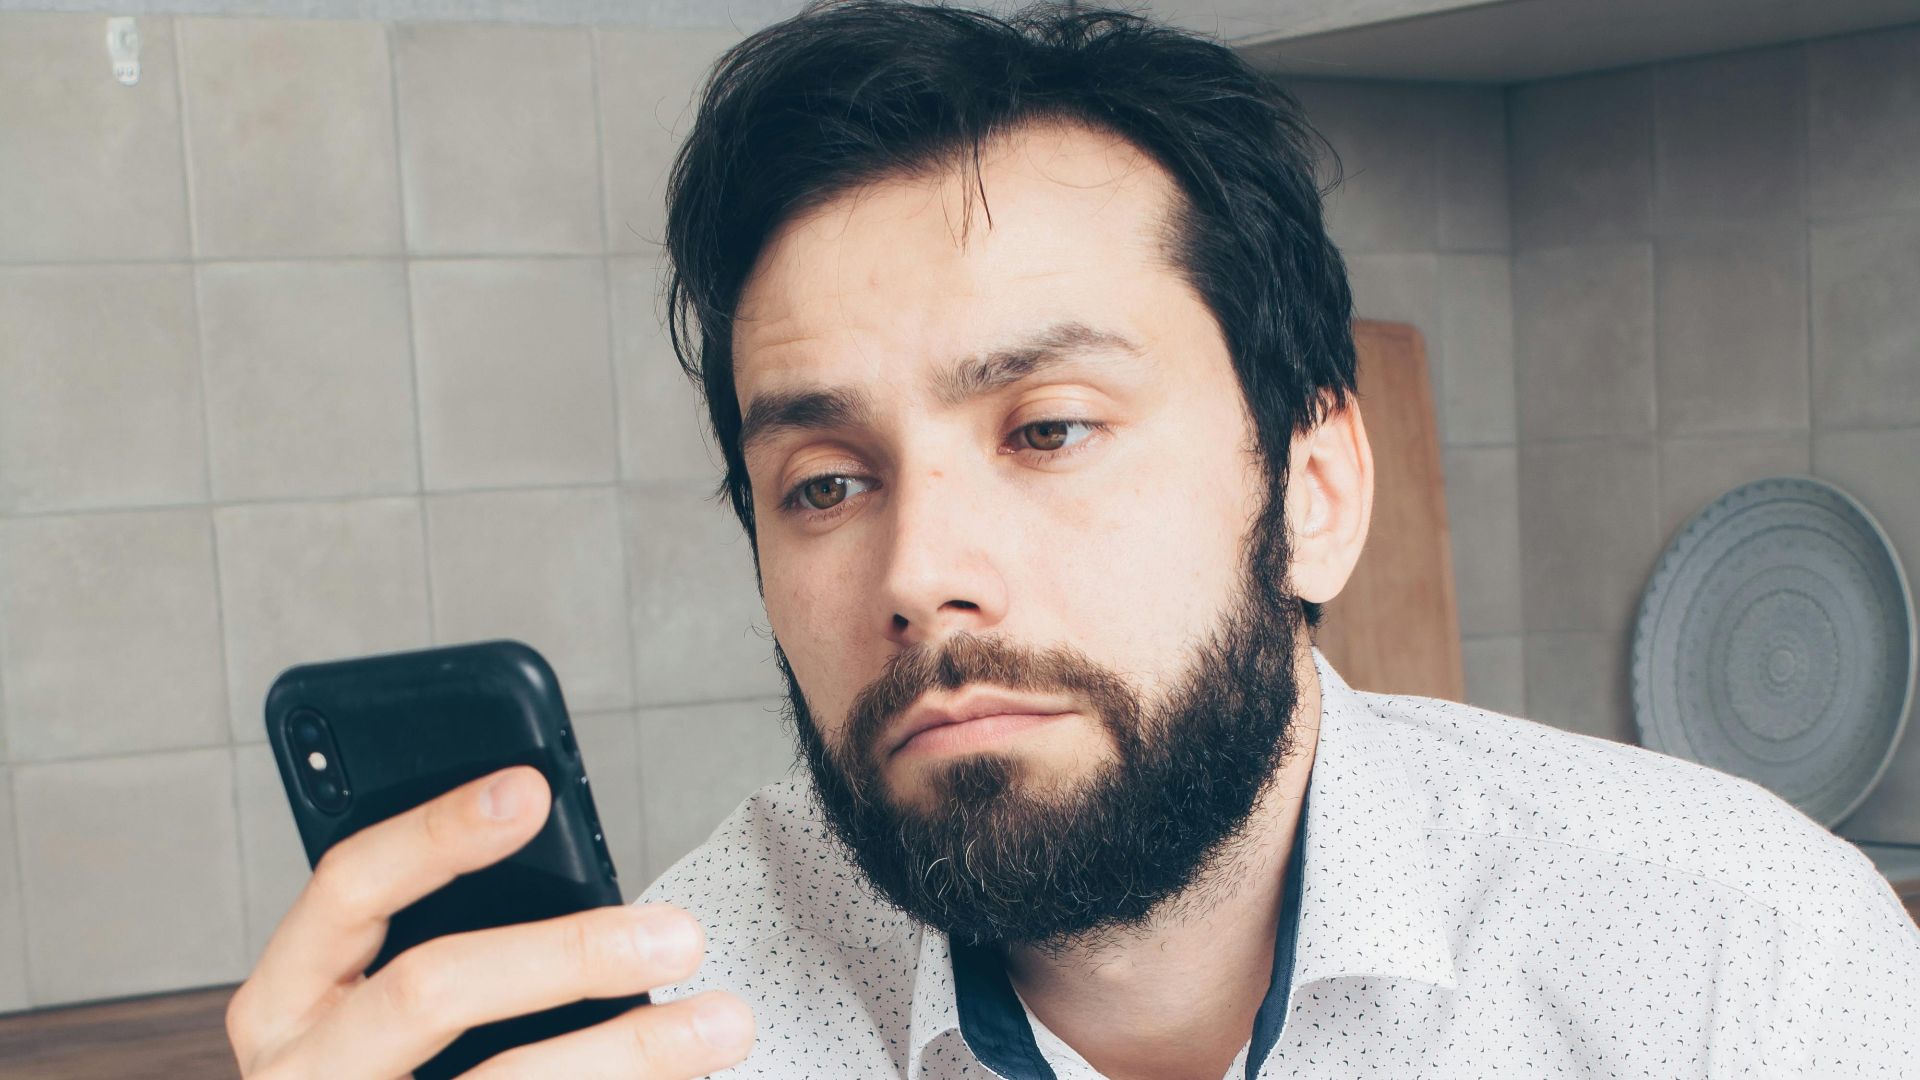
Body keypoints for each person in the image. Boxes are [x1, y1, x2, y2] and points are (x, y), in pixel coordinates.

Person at [225, 2, 1920, 1077]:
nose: (915, 573)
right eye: (825, 483)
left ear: (1316, 489)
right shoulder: (679, 1035)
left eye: (1046, 429)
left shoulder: (1741, 965)